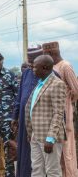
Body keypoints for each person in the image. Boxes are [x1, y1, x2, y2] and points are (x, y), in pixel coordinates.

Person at [26, 55, 66, 176]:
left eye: (35, 67)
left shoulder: (57, 84)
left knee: (52, 171)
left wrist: (50, 138)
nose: (32, 69)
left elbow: (58, 113)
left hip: (49, 137)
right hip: (35, 135)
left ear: (45, 68)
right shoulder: (40, 83)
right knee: (37, 170)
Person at [43, 41, 78, 177]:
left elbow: (75, 90)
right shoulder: (50, 66)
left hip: (64, 113)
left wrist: (66, 102)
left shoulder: (65, 66)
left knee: (66, 150)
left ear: (51, 53)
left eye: (45, 54)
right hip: (51, 115)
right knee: (55, 151)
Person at [11, 45, 43, 177]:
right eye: (29, 59)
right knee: (24, 153)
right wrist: (15, 116)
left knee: (40, 158)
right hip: (24, 121)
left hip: (41, 123)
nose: (30, 62)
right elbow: (19, 97)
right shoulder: (26, 73)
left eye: (33, 59)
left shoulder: (51, 75)